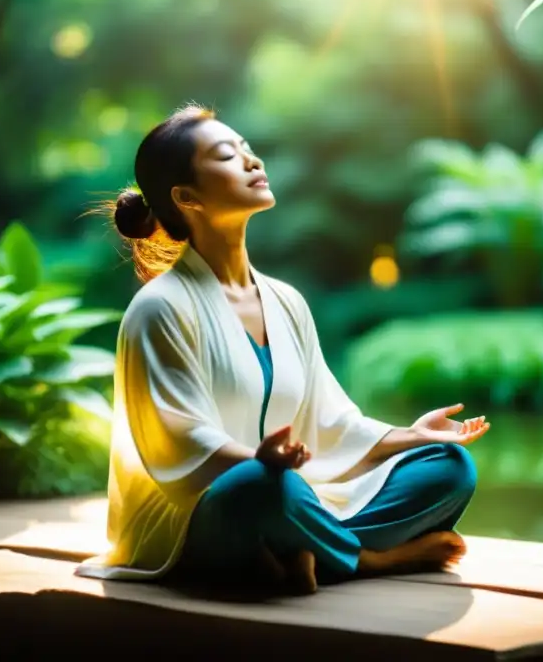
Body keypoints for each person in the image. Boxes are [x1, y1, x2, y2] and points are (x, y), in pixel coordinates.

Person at [74, 104, 490, 594]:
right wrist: (259, 460)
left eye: (248, 149)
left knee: (448, 466)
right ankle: (367, 561)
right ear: (186, 197)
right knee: (261, 488)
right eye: (229, 156)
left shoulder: (286, 301)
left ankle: (301, 554)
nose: (253, 162)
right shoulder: (159, 309)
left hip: (289, 496)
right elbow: (176, 444)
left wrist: (410, 435)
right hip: (206, 515)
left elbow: (332, 425)